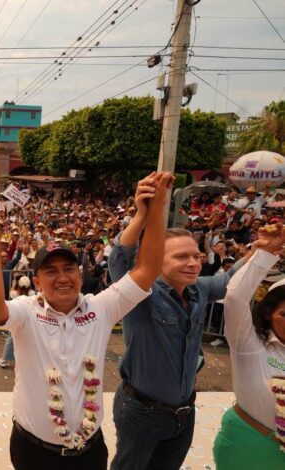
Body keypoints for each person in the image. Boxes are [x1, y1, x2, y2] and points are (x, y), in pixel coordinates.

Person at [0, 172, 172, 470]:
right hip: (34, 452)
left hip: (89, 453)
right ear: (37, 282)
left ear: (80, 276)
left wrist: (157, 208)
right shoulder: (27, 312)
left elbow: (148, 268)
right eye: (51, 271)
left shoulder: (102, 308)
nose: (62, 278)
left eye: (69, 269)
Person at [108, 173, 247, 470]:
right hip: (141, 412)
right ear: (157, 262)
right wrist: (143, 214)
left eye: (196, 256)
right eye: (182, 257)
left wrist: (262, 250)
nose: (194, 263)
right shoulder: (140, 295)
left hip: (183, 414)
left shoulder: (199, 289)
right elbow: (119, 259)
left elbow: (230, 281)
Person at [212, 224, 285, 469]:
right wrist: (265, 254)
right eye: (284, 314)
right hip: (247, 445)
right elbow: (235, 299)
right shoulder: (250, 344)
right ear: (267, 314)